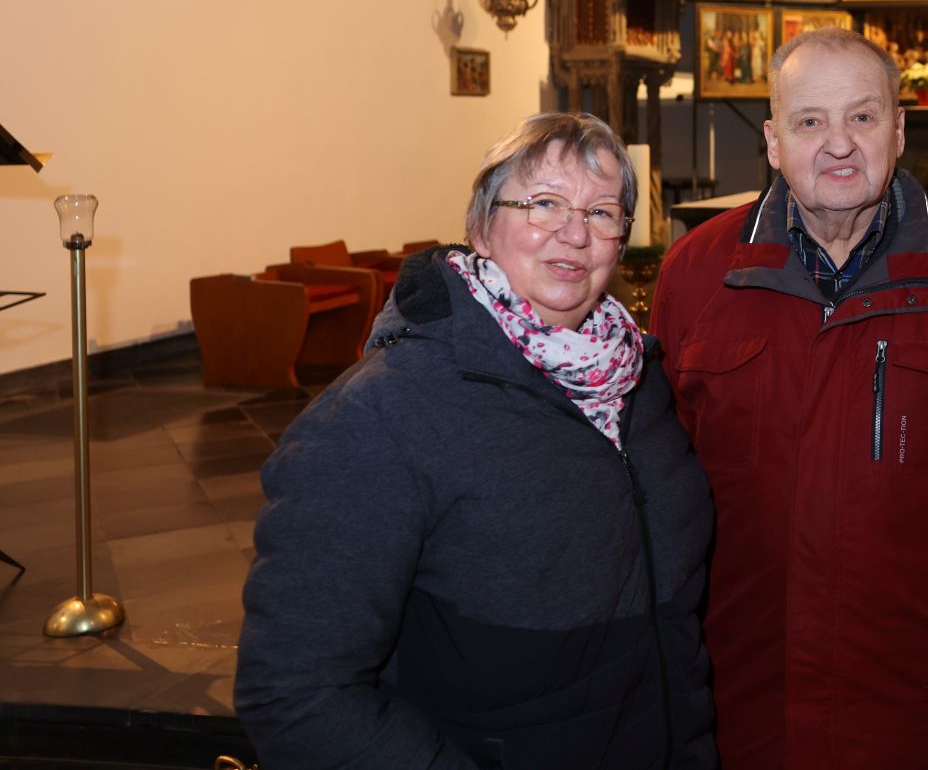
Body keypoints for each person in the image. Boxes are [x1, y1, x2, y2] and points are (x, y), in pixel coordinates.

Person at [237, 113, 715, 768]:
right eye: (543, 203)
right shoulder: (382, 413)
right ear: (481, 227)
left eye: (602, 212)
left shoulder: (638, 379)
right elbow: (294, 695)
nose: (575, 233)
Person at [651, 28, 928, 768]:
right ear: (773, 141)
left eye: (862, 117)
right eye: (810, 121)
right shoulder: (695, 274)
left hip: (919, 711)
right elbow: (659, 511)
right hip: (740, 708)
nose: (838, 144)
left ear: (898, 130)